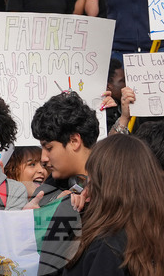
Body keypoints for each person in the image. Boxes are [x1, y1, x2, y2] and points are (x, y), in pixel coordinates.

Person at [63, 135, 164, 276]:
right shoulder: (152, 234)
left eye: (91, 179)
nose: (86, 189)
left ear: (106, 187)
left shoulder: (105, 247)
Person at [31, 91, 98, 194]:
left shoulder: (116, 186)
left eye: (49, 148)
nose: (43, 158)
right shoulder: (44, 194)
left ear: (74, 141)